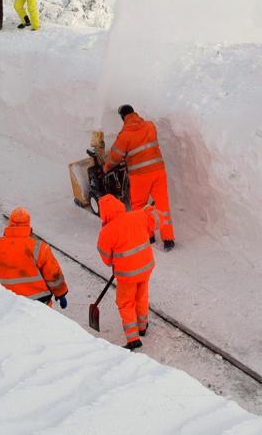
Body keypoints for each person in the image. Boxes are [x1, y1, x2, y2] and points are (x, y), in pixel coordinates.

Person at [102, 105, 175, 250]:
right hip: (159, 171)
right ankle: (168, 239)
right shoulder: (150, 126)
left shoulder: (125, 135)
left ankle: (149, 237)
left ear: (123, 117)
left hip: (140, 176)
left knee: (139, 207)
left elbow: (115, 157)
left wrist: (106, 168)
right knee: (163, 205)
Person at [0, 207, 69, 307]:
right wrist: (61, 293)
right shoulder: (40, 247)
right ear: (28, 224)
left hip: (7, 303)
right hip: (39, 304)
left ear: (10, 223)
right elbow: (53, 274)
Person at [96, 194, 155, 350]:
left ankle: (133, 338)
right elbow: (152, 223)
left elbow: (106, 258)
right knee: (141, 296)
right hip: (146, 267)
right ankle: (142, 326)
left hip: (127, 276)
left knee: (126, 303)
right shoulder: (138, 215)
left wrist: (116, 261)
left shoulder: (106, 232)